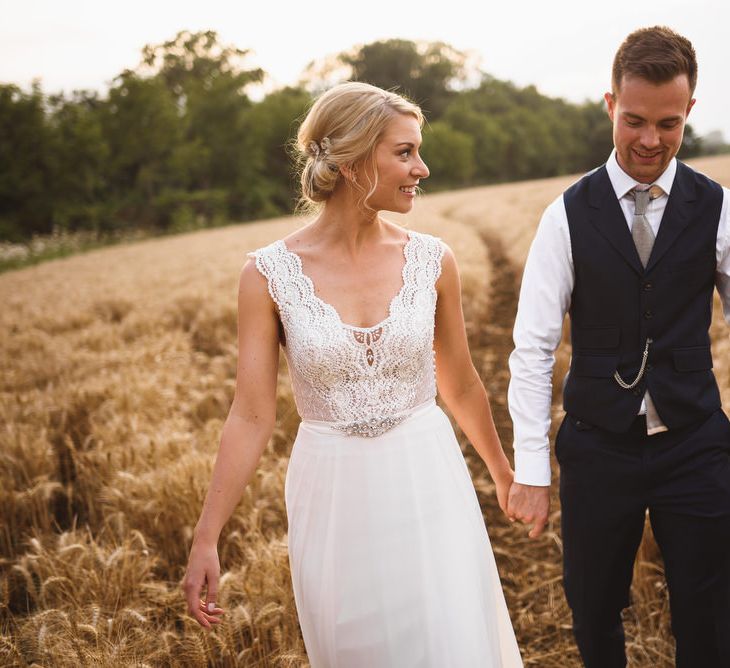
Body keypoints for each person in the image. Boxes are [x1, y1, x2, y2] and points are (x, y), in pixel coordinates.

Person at [183, 81, 523, 667]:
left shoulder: (433, 260)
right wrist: (206, 537)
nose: (422, 166)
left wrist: (502, 474)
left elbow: (460, 382)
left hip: (428, 479)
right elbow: (252, 413)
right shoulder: (267, 276)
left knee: (448, 642)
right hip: (332, 494)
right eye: (404, 152)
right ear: (350, 160)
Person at [506, 25, 730, 668]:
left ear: (690, 110)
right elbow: (533, 347)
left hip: (696, 442)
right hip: (598, 446)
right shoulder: (566, 215)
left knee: (708, 610)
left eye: (668, 123)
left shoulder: (716, 207)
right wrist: (531, 471)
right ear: (610, 105)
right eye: (633, 120)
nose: (649, 140)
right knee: (594, 606)